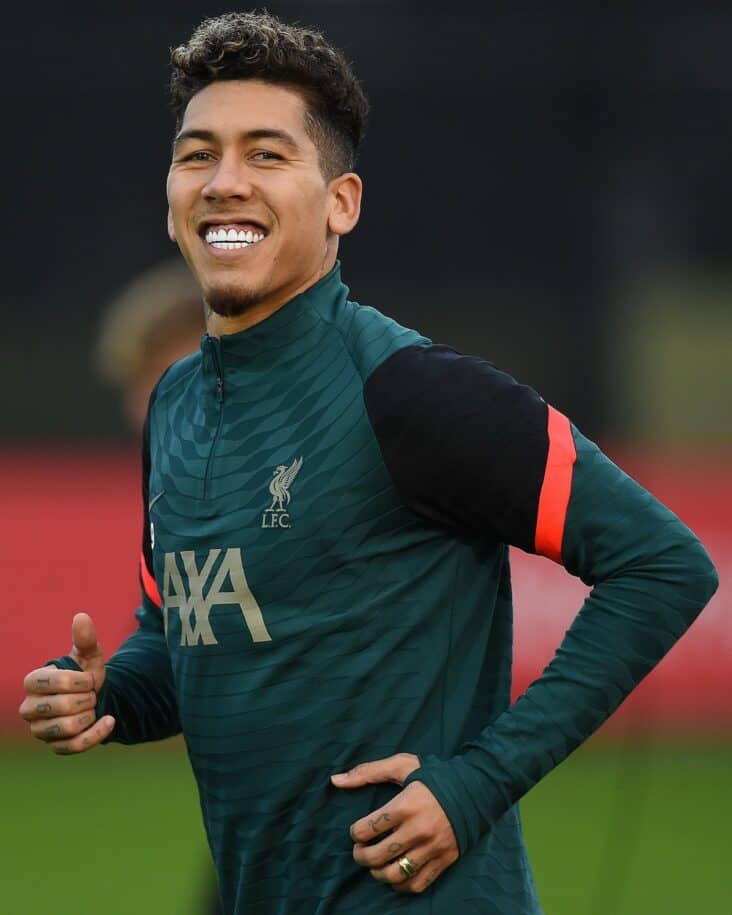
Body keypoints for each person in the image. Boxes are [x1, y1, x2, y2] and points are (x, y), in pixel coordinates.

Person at [19, 12, 718, 915]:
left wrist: (479, 780)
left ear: (341, 202)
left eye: (266, 155)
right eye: (198, 155)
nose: (225, 181)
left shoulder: (412, 391)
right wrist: (106, 691)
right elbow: (179, 641)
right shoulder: (176, 403)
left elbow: (663, 565)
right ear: (170, 193)